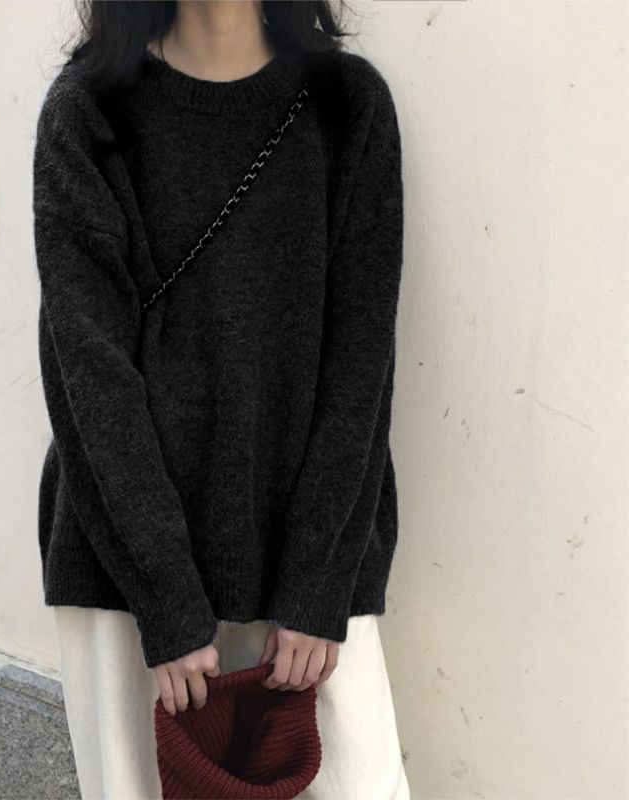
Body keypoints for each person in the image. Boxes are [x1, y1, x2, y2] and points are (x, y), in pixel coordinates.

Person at [32, 1, 411, 797]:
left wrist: (317, 585)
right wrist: (166, 598)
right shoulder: (88, 113)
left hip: (306, 564)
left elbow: (362, 366)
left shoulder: (348, 107)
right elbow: (88, 376)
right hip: (131, 581)